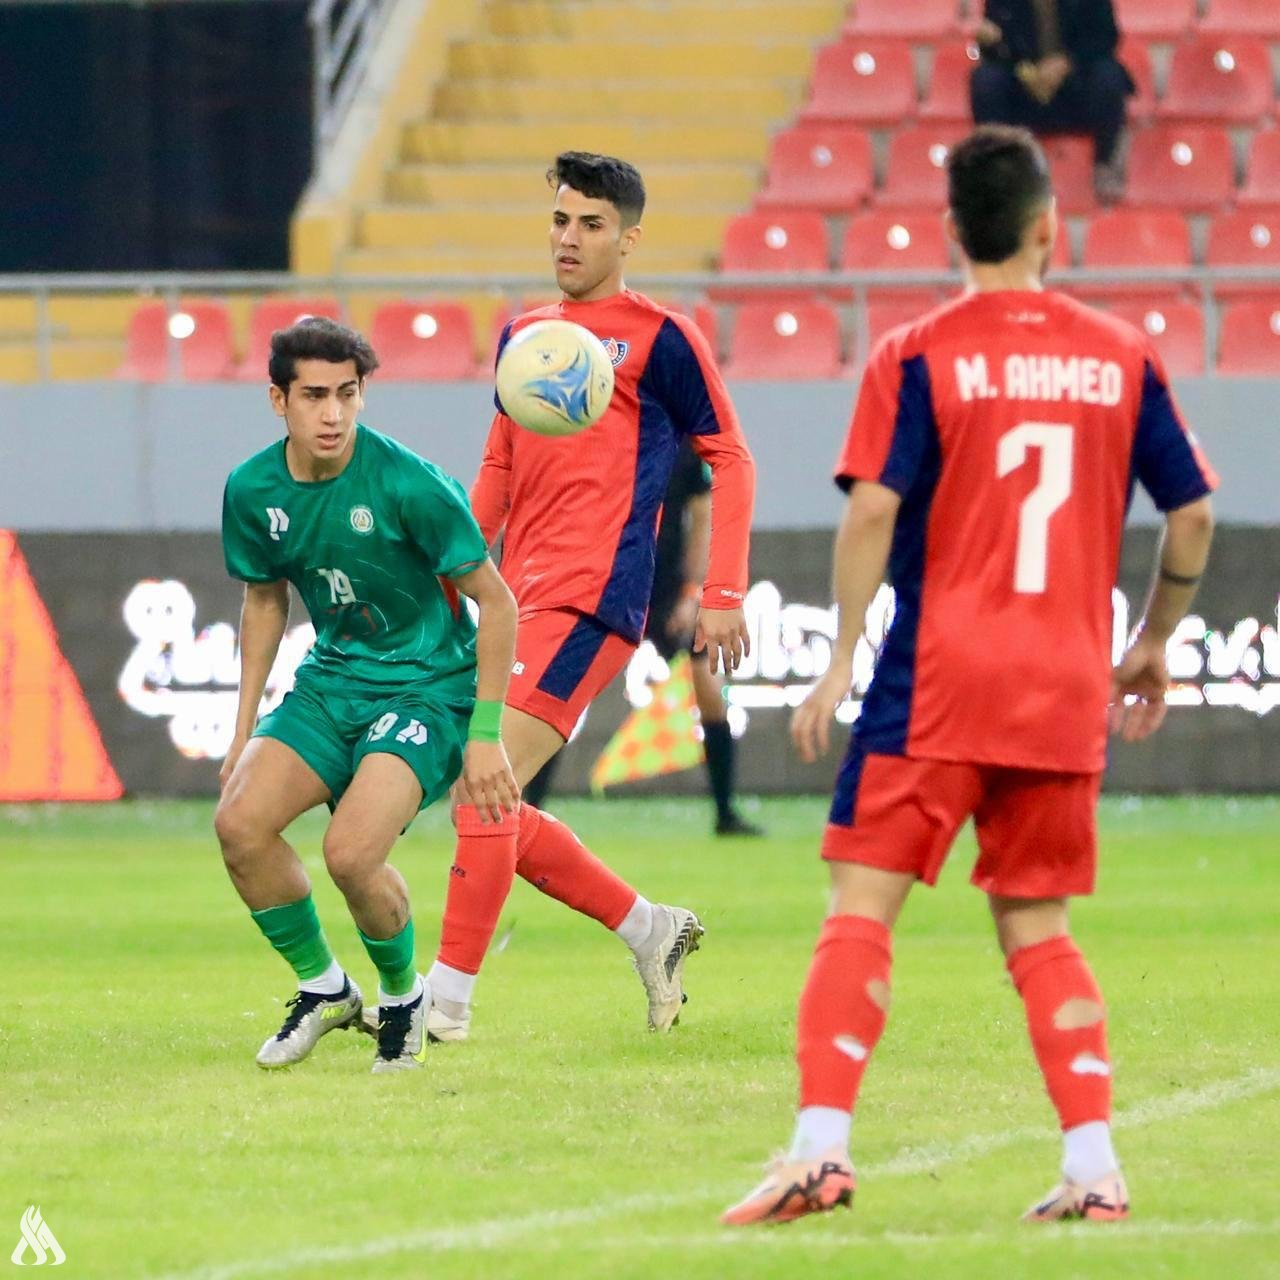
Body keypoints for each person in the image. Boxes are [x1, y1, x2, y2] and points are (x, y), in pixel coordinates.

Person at [722, 125, 1216, 1226]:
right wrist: (1150, 637)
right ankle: (1093, 1166)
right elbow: (1188, 509)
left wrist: (843, 653)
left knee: (860, 907)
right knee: (1036, 928)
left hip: (936, 680)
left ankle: (818, 1150)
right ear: (1048, 225)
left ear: (951, 229)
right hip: (1063, 686)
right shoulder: (1121, 356)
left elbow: (870, 508)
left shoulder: (915, 351)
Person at [421, 150, 756, 1044]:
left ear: (630, 237)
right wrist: (453, 575)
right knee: (490, 794)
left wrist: (722, 589)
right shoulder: (525, 334)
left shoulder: (663, 338)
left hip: (599, 593)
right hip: (513, 595)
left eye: (593, 224)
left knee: (482, 786)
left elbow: (731, 458)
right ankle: (652, 930)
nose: (570, 238)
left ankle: (442, 1006)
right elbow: (499, 462)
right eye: (561, 220)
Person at [213, 317, 519, 1073]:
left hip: (425, 687)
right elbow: (264, 602)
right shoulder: (253, 489)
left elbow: (500, 604)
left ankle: (401, 997)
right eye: (314, 396)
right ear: (276, 400)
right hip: (332, 678)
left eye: (347, 394)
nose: (333, 414)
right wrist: (241, 729)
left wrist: (484, 734)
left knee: (350, 855)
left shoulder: (408, 482)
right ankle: (324, 990)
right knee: (240, 826)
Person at [523, 439, 764, 837]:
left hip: (667, 591)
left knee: (709, 687)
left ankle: (725, 813)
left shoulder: (683, 446)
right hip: (609, 585)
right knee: (564, 693)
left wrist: (692, 591)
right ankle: (530, 810)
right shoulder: (599, 439)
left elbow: (703, 515)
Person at [971, 0, 1133, 201]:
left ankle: (1105, 164)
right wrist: (987, 43)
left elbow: (1106, 38)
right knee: (985, 79)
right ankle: (997, 168)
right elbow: (996, 51)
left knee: (1109, 76)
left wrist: (1066, 62)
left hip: (1077, 89)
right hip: (1025, 92)